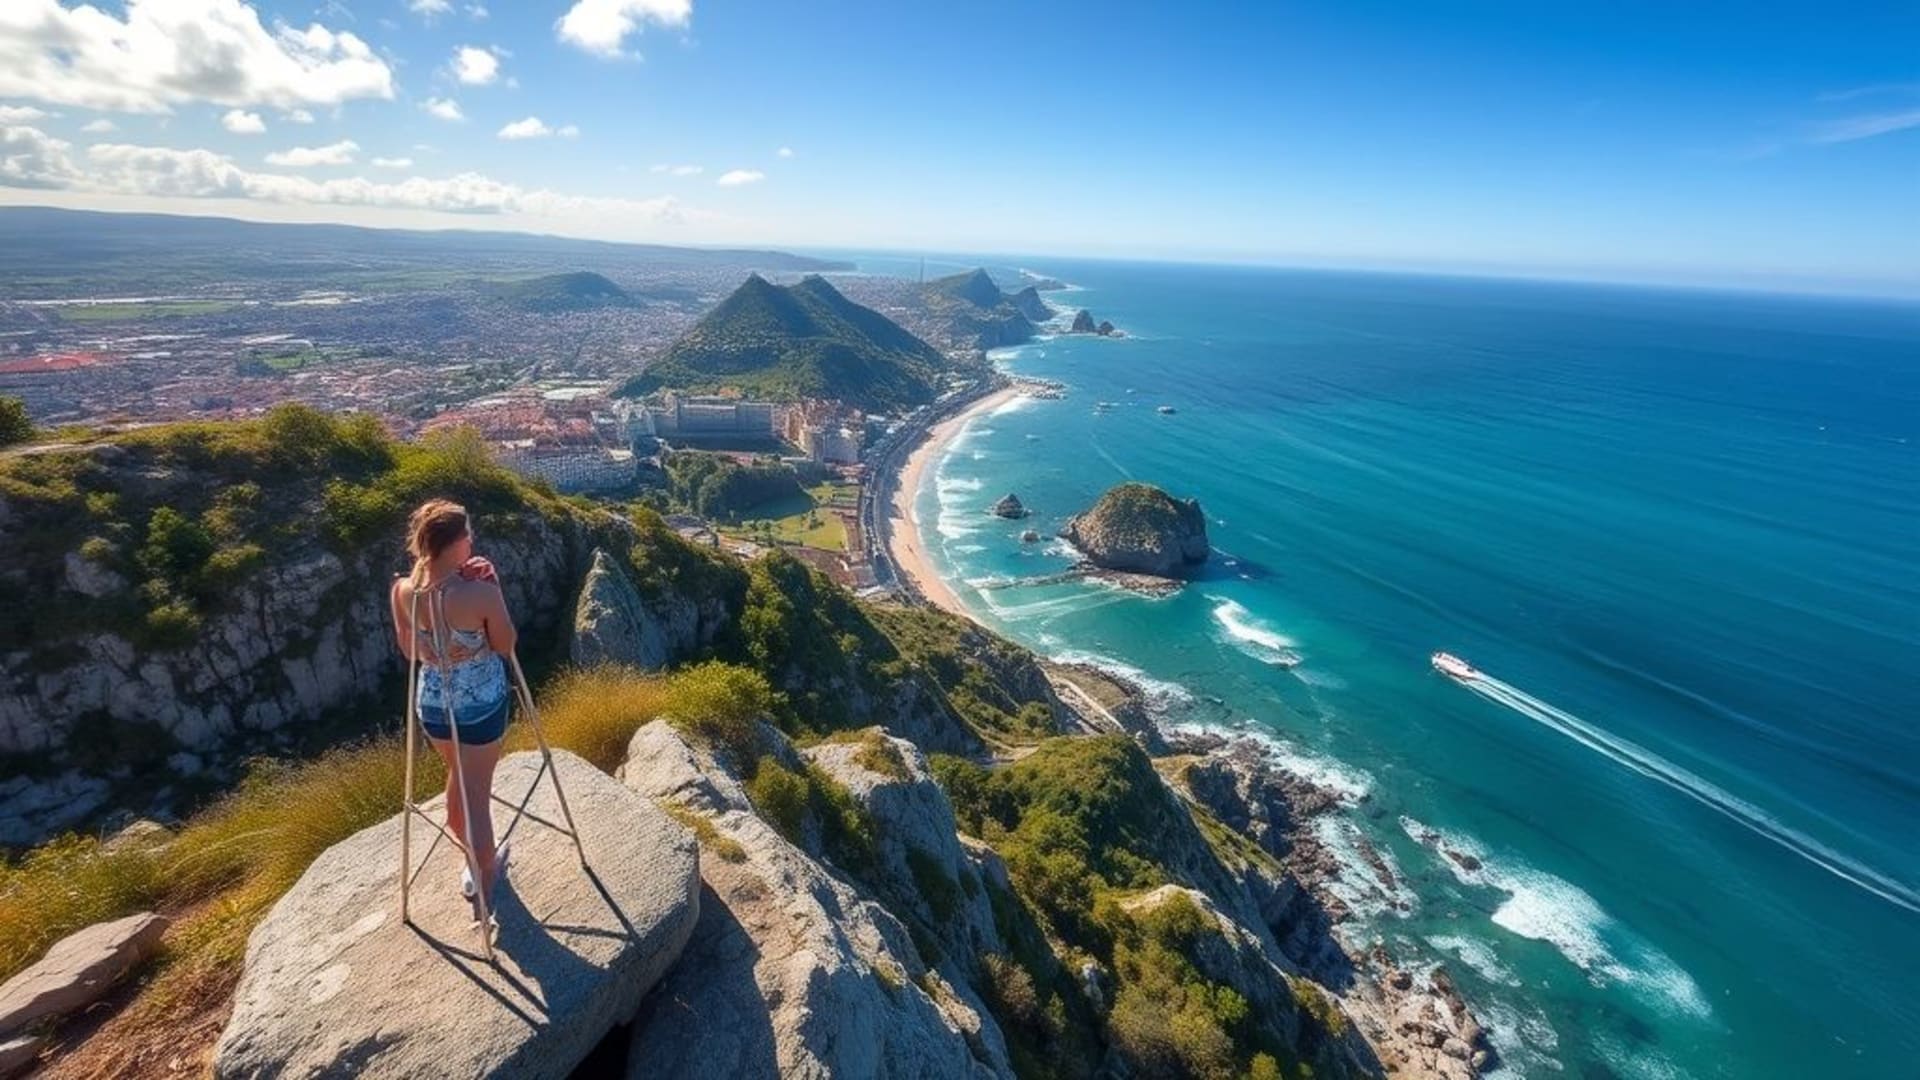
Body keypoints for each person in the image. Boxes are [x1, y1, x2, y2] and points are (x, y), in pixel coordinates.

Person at [389, 498, 518, 921]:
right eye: (468, 535)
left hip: (433, 707)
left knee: (458, 779)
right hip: (479, 705)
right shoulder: (479, 592)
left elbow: (410, 651)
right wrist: (490, 592)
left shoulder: (404, 591)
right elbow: (505, 645)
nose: (472, 540)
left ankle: (467, 858)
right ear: (455, 543)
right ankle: (485, 875)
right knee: (477, 794)